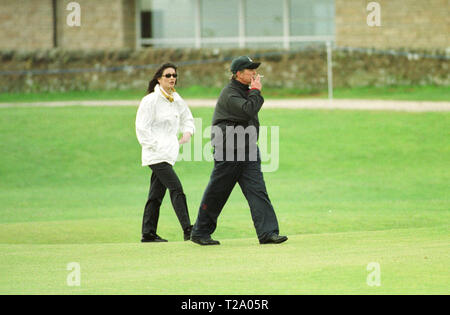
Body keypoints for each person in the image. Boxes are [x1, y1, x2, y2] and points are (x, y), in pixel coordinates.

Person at [190, 56, 288, 245]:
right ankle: (200, 232)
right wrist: (256, 91)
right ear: (237, 74)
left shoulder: (246, 91)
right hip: (229, 149)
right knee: (217, 192)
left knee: (258, 191)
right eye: (249, 69)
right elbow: (247, 110)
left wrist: (254, 92)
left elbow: (251, 109)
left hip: (248, 149)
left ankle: (268, 233)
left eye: (254, 69)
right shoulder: (230, 93)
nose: (254, 72)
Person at [136, 63, 195, 242]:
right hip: (156, 155)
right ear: (159, 79)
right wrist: (155, 146)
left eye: (174, 75)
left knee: (155, 195)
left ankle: (148, 233)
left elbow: (187, 117)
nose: (172, 78)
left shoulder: (176, 98)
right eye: (168, 75)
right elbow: (141, 127)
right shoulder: (150, 100)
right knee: (176, 189)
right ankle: (188, 230)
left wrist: (187, 132)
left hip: (168, 155)